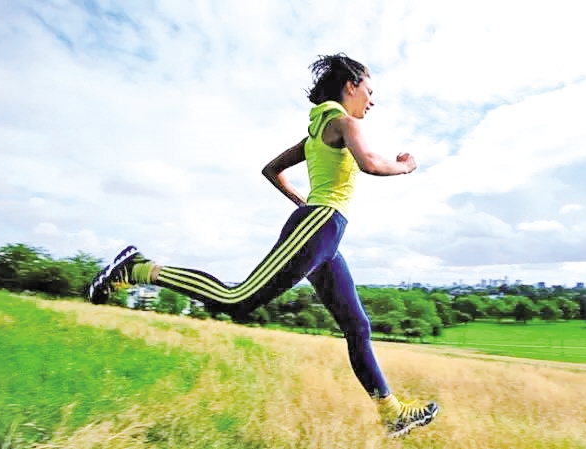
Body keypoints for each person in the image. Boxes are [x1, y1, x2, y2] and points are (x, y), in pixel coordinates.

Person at [88, 53, 439, 438]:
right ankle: (137, 268)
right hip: (320, 227)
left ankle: (391, 414)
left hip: (323, 233)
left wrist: (301, 202)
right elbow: (370, 162)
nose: (372, 101)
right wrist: (405, 165)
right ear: (351, 84)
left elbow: (270, 169)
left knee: (357, 326)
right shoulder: (342, 121)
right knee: (236, 300)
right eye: (369, 91)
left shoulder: (315, 133)